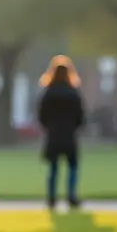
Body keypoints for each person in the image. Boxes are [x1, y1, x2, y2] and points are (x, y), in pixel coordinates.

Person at [37, 55, 85, 211]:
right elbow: (81, 116)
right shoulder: (73, 93)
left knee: (53, 168)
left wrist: (49, 127)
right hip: (69, 135)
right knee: (72, 166)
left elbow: (41, 116)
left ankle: (51, 198)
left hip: (53, 135)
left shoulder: (48, 94)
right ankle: (71, 196)